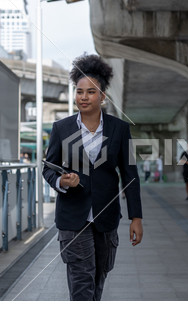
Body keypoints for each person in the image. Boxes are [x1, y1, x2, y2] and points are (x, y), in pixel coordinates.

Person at [43, 54, 143, 301]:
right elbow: (48, 167)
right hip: (72, 217)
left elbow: (130, 175)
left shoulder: (119, 129)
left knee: (98, 277)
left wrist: (136, 218)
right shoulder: (61, 128)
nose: (84, 97)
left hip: (106, 217)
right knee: (82, 279)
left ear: (102, 97)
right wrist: (61, 182)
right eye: (79, 92)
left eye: (90, 92)